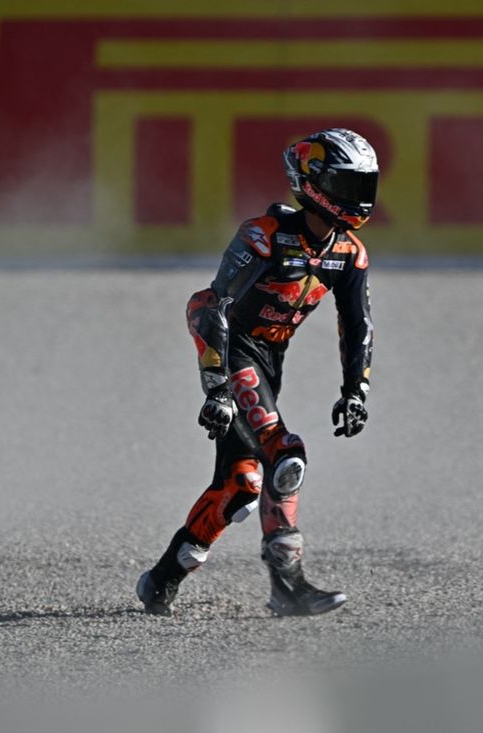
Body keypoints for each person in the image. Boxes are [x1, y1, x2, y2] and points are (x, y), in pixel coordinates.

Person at [137, 128, 377, 616]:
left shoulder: (349, 254)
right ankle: (288, 587)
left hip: (270, 364)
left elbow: (358, 325)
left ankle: (162, 578)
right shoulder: (262, 238)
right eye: (349, 185)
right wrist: (217, 387)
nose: (360, 198)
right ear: (314, 183)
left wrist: (356, 390)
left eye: (365, 185)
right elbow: (209, 307)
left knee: (240, 485)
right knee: (287, 456)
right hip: (235, 356)